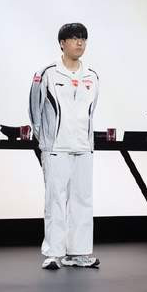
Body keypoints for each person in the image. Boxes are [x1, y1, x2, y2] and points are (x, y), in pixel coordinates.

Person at [29, 23, 100, 270]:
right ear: (62, 43)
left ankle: (78, 253)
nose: (80, 43)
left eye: (83, 39)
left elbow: (91, 111)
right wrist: (45, 140)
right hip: (56, 147)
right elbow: (34, 110)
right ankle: (53, 253)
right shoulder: (47, 73)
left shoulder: (92, 75)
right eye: (74, 38)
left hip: (83, 147)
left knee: (83, 200)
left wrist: (88, 142)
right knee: (55, 200)